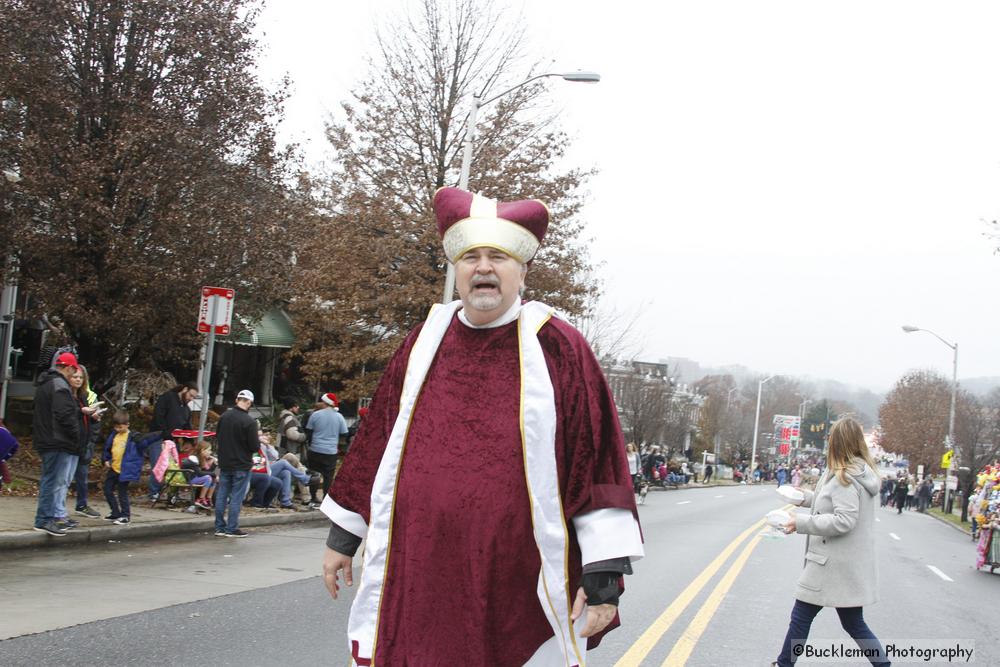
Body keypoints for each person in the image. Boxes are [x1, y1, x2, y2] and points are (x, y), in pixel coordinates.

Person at [321, 187, 643, 666]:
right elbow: (377, 442)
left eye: (498, 256)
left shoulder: (557, 347)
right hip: (417, 567)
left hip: (511, 573)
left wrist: (603, 582)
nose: (484, 267)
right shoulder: (424, 342)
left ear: (522, 270)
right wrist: (343, 537)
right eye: (471, 257)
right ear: (457, 269)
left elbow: (594, 460)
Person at [774, 417, 888, 667]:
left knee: (801, 618)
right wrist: (803, 498)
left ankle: (784, 664)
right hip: (846, 566)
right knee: (853, 624)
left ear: (837, 443)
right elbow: (831, 501)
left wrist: (801, 522)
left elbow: (844, 520)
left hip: (829, 564)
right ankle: (883, 665)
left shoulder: (844, 477)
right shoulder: (858, 473)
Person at [32, 352, 85, 536]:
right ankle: (45, 519)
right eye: (73, 370)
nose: (74, 374)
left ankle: (50, 518)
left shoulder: (46, 384)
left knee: (51, 480)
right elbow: (65, 416)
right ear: (68, 368)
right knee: (52, 481)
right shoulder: (60, 386)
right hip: (57, 440)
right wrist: (75, 435)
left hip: (47, 438)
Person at [214, 389, 260, 537]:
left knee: (222, 494)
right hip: (241, 463)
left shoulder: (224, 417)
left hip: (225, 462)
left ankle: (219, 527)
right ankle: (232, 528)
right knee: (236, 497)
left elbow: (218, 437)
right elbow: (254, 446)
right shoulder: (249, 422)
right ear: (248, 402)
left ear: (237, 400)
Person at [101, 411, 158, 523]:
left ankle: (125, 515)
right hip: (114, 467)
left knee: (122, 492)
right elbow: (108, 447)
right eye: (116, 427)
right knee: (107, 489)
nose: (118, 429)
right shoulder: (114, 435)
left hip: (125, 469)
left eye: (120, 427)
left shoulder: (133, 437)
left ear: (127, 424)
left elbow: (144, 444)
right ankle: (115, 512)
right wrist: (106, 459)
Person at [147, 381, 196, 500]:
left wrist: (189, 441)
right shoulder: (167, 398)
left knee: (173, 467)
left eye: (194, 397)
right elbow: (159, 417)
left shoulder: (186, 409)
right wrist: (166, 433)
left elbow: (187, 426)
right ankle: (154, 492)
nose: (191, 399)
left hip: (173, 441)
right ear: (185, 389)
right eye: (191, 395)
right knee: (158, 465)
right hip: (158, 437)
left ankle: (170, 492)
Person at [70, 365, 105, 519]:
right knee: (62, 478)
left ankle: (82, 505)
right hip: (69, 443)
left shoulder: (88, 396)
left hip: (85, 443)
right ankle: (53, 512)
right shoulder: (65, 394)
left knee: (82, 476)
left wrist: (91, 439)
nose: (78, 379)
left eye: (81, 377)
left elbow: (95, 424)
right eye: (75, 376)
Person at [305, 392, 348, 498]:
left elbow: (308, 431)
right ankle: (326, 497)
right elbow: (344, 433)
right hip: (331, 451)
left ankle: (313, 496)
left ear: (325, 402)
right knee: (328, 476)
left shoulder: (315, 415)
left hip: (315, 449)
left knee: (314, 473)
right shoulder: (339, 417)